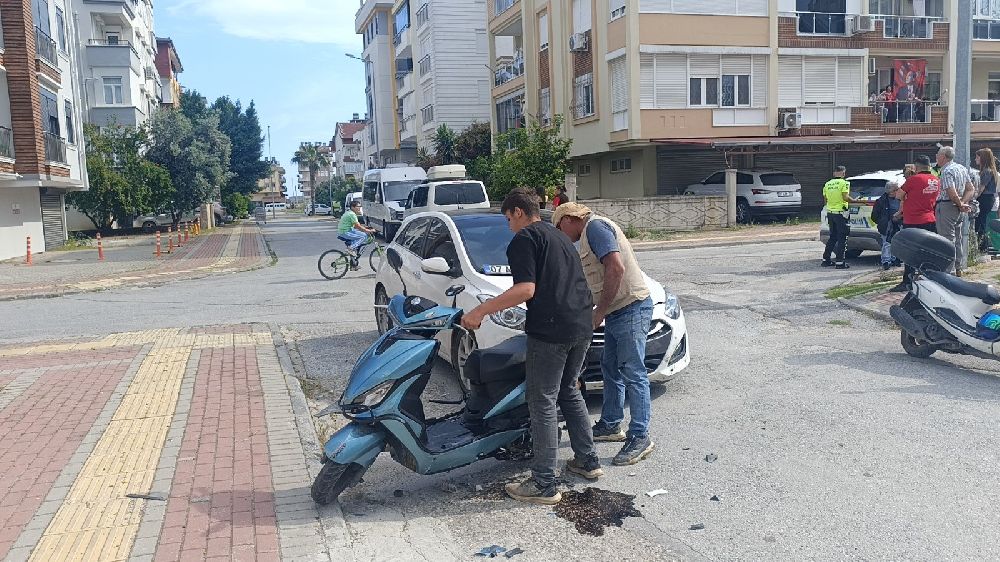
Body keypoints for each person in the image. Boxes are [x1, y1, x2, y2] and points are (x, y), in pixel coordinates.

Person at [461, 188, 601, 505]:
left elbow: (525, 289)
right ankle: (587, 461)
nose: (509, 225)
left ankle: (544, 483)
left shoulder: (524, 240)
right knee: (569, 390)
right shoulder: (559, 236)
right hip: (582, 324)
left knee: (542, 401)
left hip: (552, 331)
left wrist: (480, 311)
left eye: (509, 218)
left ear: (519, 213)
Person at [553, 203, 656, 467]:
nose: (561, 234)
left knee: (633, 371)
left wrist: (600, 311)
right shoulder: (589, 233)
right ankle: (611, 424)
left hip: (630, 307)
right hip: (618, 309)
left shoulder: (595, 228)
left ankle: (640, 436)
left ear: (568, 219)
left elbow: (616, 268)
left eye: (558, 227)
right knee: (611, 367)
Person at [893, 155, 942, 292]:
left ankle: (907, 281)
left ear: (916, 166)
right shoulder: (936, 180)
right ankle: (928, 280)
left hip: (913, 220)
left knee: (910, 253)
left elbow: (898, 195)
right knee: (928, 251)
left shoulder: (913, 180)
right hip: (930, 219)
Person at [936, 146, 975, 276]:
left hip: (947, 206)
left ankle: (949, 270)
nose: (936, 157)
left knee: (947, 239)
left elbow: (951, 192)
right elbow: (970, 189)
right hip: (958, 208)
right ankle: (958, 267)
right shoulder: (961, 168)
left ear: (944, 157)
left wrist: (959, 203)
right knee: (957, 238)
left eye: (938, 155)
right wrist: (963, 203)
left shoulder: (947, 171)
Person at [822, 166, 861, 269]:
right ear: (843, 173)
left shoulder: (827, 184)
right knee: (842, 237)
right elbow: (845, 197)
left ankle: (826, 259)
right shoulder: (844, 183)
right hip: (841, 213)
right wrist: (855, 201)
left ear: (834, 173)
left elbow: (825, 200)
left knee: (833, 236)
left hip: (830, 212)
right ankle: (840, 262)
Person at [872, 181, 902, 270]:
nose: (898, 191)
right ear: (890, 191)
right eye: (896, 189)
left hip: (898, 224)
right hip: (886, 225)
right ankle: (886, 261)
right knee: (887, 243)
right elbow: (874, 215)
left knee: (896, 243)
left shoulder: (900, 199)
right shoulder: (881, 201)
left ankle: (894, 259)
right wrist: (882, 222)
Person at [975, 148, 999, 252]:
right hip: (989, 199)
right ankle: (982, 247)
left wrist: (973, 197)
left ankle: (982, 248)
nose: (975, 159)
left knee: (981, 223)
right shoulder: (991, 171)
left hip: (985, 198)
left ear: (983, 158)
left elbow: (981, 188)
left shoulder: (986, 171)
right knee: (982, 222)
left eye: (977, 157)